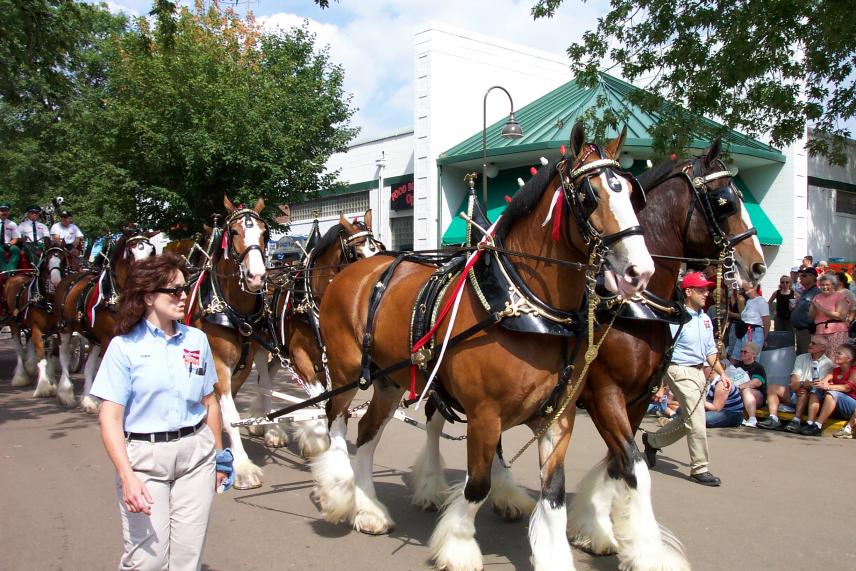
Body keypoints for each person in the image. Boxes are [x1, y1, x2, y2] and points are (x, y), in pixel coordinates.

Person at [90, 253, 233, 570]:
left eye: (185, 288)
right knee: (147, 560)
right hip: (145, 460)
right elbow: (110, 417)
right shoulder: (124, 347)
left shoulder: (196, 340)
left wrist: (219, 456)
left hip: (196, 457)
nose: (184, 296)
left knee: (187, 558)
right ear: (148, 296)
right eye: (175, 290)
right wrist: (127, 475)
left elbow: (209, 402)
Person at [642, 271, 732, 487]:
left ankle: (652, 441)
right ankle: (700, 468)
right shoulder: (676, 318)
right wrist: (660, 384)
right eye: (702, 290)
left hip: (699, 372)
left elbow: (710, 351)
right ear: (688, 292)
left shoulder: (706, 319)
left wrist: (722, 373)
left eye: (707, 289)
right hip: (679, 370)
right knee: (697, 420)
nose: (706, 293)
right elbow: (665, 350)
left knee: (689, 418)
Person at [758, 336, 834, 431]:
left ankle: (796, 421)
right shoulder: (801, 358)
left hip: (811, 398)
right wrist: (802, 384)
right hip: (796, 391)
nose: (810, 345)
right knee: (772, 387)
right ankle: (773, 418)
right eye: (810, 342)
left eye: (813, 343)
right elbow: (794, 383)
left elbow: (818, 386)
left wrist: (803, 385)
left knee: (804, 392)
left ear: (823, 347)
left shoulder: (827, 364)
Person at [798, 344, 856, 436]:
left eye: (839, 353)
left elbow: (846, 388)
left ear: (849, 359)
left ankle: (818, 426)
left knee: (832, 394)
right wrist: (821, 384)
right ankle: (810, 423)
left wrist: (828, 386)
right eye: (836, 353)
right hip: (835, 405)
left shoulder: (854, 371)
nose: (836, 355)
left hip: (851, 407)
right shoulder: (835, 370)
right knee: (817, 389)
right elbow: (825, 381)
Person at [809, 273, 849, 358]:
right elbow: (811, 317)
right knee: (820, 358)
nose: (824, 287)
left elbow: (841, 316)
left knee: (835, 357)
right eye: (822, 285)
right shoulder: (817, 297)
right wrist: (813, 307)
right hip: (819, 331)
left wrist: (820, 308)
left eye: (827, 285)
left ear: (833, 285)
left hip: (837, 331)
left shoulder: (839, 296)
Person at [729, 281, 769, 362]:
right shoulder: (749, 301)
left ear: (754, 287)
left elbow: (767, 321)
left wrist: (764, 338)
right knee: (734, 358)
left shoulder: (761, 301)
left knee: (750, 360)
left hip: (754, 333)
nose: (745, 286)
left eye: (748, 284)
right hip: (743, 331)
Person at [733, 342, 767, 427]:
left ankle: (752, 419)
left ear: (753, 355)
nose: (742, 353)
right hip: (740, 395)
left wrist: (740, 387)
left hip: (757, 397)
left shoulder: (758, 367)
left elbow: (757, 382)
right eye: (741, 351)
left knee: (746, 390)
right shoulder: (737, 366)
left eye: (745, 352)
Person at [790, 267, 820, 354]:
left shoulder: (817, 293)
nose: (800, 277)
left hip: (807, 331)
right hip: (799, 331)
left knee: (806, 356)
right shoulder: (805, 291)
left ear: (812, 277)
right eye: (800, 275)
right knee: (801, 355)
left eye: (804, 275)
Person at [0, 202, 20, 274]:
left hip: (8, 244)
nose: (4, 212)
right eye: (2, 211)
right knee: (0, 251)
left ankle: (11, 269)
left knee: (16, 249)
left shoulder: (12, 224)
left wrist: (9, 244)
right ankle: (5, 271)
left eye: (6, 211)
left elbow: (15, 238)